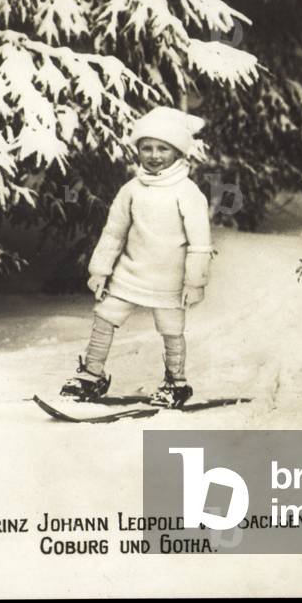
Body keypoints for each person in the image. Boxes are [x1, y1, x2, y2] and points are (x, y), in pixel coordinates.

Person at [61, 107, 213, 408]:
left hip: (170, 278)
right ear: (138, 151)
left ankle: (175, 382)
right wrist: (100, 270)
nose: (154, 155)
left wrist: (194, 282)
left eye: (163, 148)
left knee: (171, 329)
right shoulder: (131, 190)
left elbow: (200, 243)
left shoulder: (187, 192)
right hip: (130, 273)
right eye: (147, 147)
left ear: (178, 152)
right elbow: (114, 232)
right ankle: (92, 375)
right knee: (105, 316)